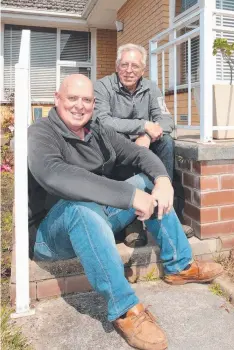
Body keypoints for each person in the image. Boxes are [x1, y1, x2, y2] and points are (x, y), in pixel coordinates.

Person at [28, 74, 223, 350]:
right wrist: (129, 197)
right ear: (57, 99)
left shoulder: (97, 130)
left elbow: (139, 154)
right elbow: (56, 175)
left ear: (94, 104)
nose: (79, 106)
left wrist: (162, 180)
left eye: (86, 100)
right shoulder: (41, 132)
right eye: (72, 98)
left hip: (93, 218)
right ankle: (124, 309)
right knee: (80, 207)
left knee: (146, 182)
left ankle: (179, 265)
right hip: (50, 234)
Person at [94, 43, 193, 248]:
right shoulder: (103, 86)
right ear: (116, 65)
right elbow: (102, 121)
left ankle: (166, 214)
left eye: (135, 66)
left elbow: (166, 121)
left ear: (143, 69)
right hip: (114, 149)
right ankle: (132, 225)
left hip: (143, 147)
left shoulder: (151, 88)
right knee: (125, 151)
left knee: (165, 142)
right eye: (124, 65)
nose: (129, 71)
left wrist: (147, 135)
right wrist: (143, 125)